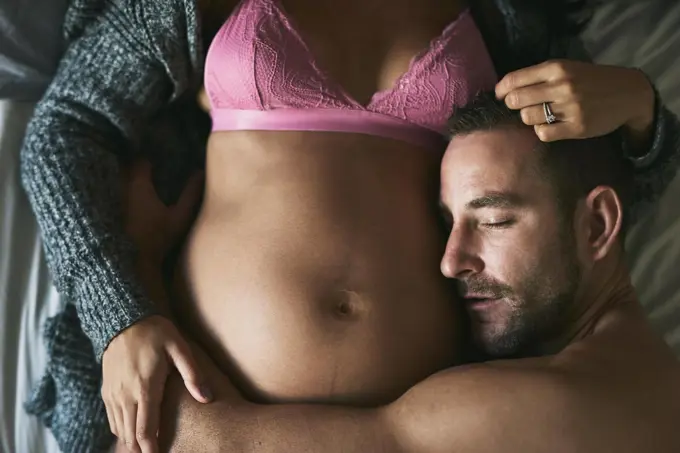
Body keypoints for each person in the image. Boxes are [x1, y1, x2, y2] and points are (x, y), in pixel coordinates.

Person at [19, 1, 680, 452]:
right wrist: (120, 318)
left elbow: (584, 201)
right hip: (196, 389)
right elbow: (64, 130)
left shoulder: (505, 18)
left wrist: (639, 107)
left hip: (423, 420)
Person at [155, 93, 680, 453]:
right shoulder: (653, 382)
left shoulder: (545, 405)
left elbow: (195, 443)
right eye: (446, 222)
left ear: (598, 223)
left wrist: (141, 268)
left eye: (494, 219)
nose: (451, 261)